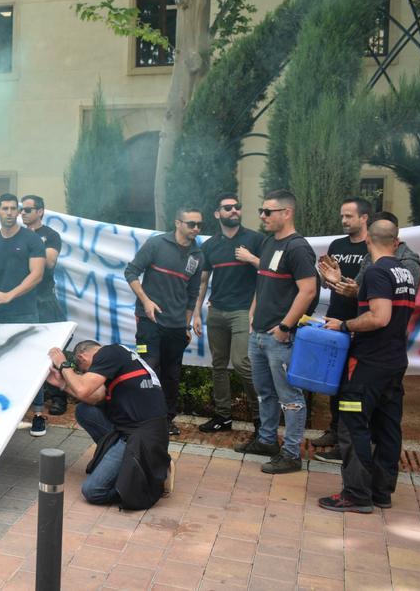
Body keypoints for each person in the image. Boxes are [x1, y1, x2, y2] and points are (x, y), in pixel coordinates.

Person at [318, 219, 417, 513]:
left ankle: (356, 493)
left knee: (352, 424)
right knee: (387, 426)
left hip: (368, 364)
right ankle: (381, 492)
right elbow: (382, 302)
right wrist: (351, 290)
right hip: (394, 362)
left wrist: (343, 325)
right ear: (395, 243)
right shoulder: (404, 273)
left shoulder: (375, 271)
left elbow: (379, 316)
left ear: (369, 243)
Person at [237, 189, 317, 474]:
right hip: (259, 333)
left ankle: (292, 454)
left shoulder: (298, 247)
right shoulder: (270, 243)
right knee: (264, 393)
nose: (262, 216)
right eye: (261, 211)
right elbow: (263, 282)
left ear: (287, 213)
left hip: (280, 337)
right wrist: (252, 314)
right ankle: (267, 440)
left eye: (268, 211)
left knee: (290, 398)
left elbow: (308, 291)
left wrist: (285, 326)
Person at [45, 340, 173, 509]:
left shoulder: (108, 353)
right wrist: (62, 385)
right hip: (141, 430)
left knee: (93, 491)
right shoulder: (118, 356)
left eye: (84, 370)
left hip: (139, 436)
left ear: (81, 357)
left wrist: (62, 363)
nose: (87, 373)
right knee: (85, 410)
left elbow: (83, 388)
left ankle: (145, 480)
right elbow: (95, 396)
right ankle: (141, 466)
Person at [124, 207, 204, 436]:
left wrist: (186, 325)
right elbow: (131, 272)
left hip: (177, 325)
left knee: (171, 374)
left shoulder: (198, 255)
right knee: (149, 366)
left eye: (200, 225)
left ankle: (166, 420)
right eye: (191, 224)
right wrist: (146, 302)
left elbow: (192, 295)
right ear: (178, 223)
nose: (196, 229)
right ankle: (143, 418)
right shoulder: (156, 244)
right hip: (148, 320)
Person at [193, 193, 263, 434]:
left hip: (243, 312)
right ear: (217, 213)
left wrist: (251, 258)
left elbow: (270, 274)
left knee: (242, 363)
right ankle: (223, 417)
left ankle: (261, 416)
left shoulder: (255, 239)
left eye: (237, 207)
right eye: (228, 207)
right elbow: (203, 282)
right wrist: (196, 314)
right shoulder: (210, 245)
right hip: (217, 311)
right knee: (218, 366)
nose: (234, 210)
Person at [0, 193, 47, 435]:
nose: (8, 212)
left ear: (18, 212)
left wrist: (9, 295)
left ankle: (38, 415)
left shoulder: (31, 239)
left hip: (26, 313)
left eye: (12, 209)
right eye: (4, 208)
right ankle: (7, 414)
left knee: (32, 364)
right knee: (1, 364)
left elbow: (36, 275)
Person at [313, 197, 371, 458]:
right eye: (342, 216)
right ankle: (335, 429)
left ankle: (348, 441)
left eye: (349, 216)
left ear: (364, 218)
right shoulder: (337, 244)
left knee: (353, 385)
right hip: (334, 320)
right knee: (333, 379)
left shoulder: (371, 249)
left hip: (358, 324)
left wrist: (352, 288)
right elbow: (328, 284)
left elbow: (373, 290)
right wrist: (327, 278)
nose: (344, 221)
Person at [21, 194, 70, 415]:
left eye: (28, 209)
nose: (23, 213)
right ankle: (31, 396)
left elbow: (49, 262)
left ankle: (58, 397)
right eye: (22, 209)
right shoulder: (14, 235)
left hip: (44, 298)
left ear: (40, 211)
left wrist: (30, 244)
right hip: (20, 300)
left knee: (54, 347)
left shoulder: (50, 235)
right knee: (25, 349)